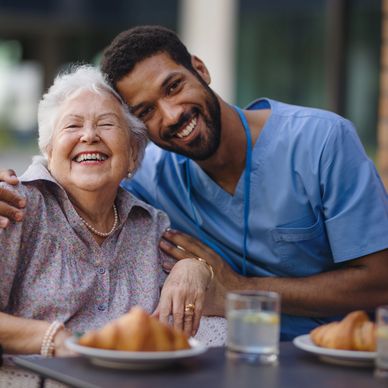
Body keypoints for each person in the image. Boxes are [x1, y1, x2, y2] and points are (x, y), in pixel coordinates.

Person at [1, 26, 388, 340]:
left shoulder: (321, 141)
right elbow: (78, 175)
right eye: (146, 111)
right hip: (228, 360)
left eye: (173, 87)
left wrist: (238, 288)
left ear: (200, 70)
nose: (171, 116)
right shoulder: (148, 174)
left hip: (336, 358)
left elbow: (379, 282)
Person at [0, 64, 222, 356]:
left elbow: (190, 322)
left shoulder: (151, 225)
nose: (89, 136)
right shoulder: (13, 205)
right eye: (73, 125)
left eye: (106, 124)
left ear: (132, 155)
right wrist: (56, 340)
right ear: (50, 149)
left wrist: (195, 267)